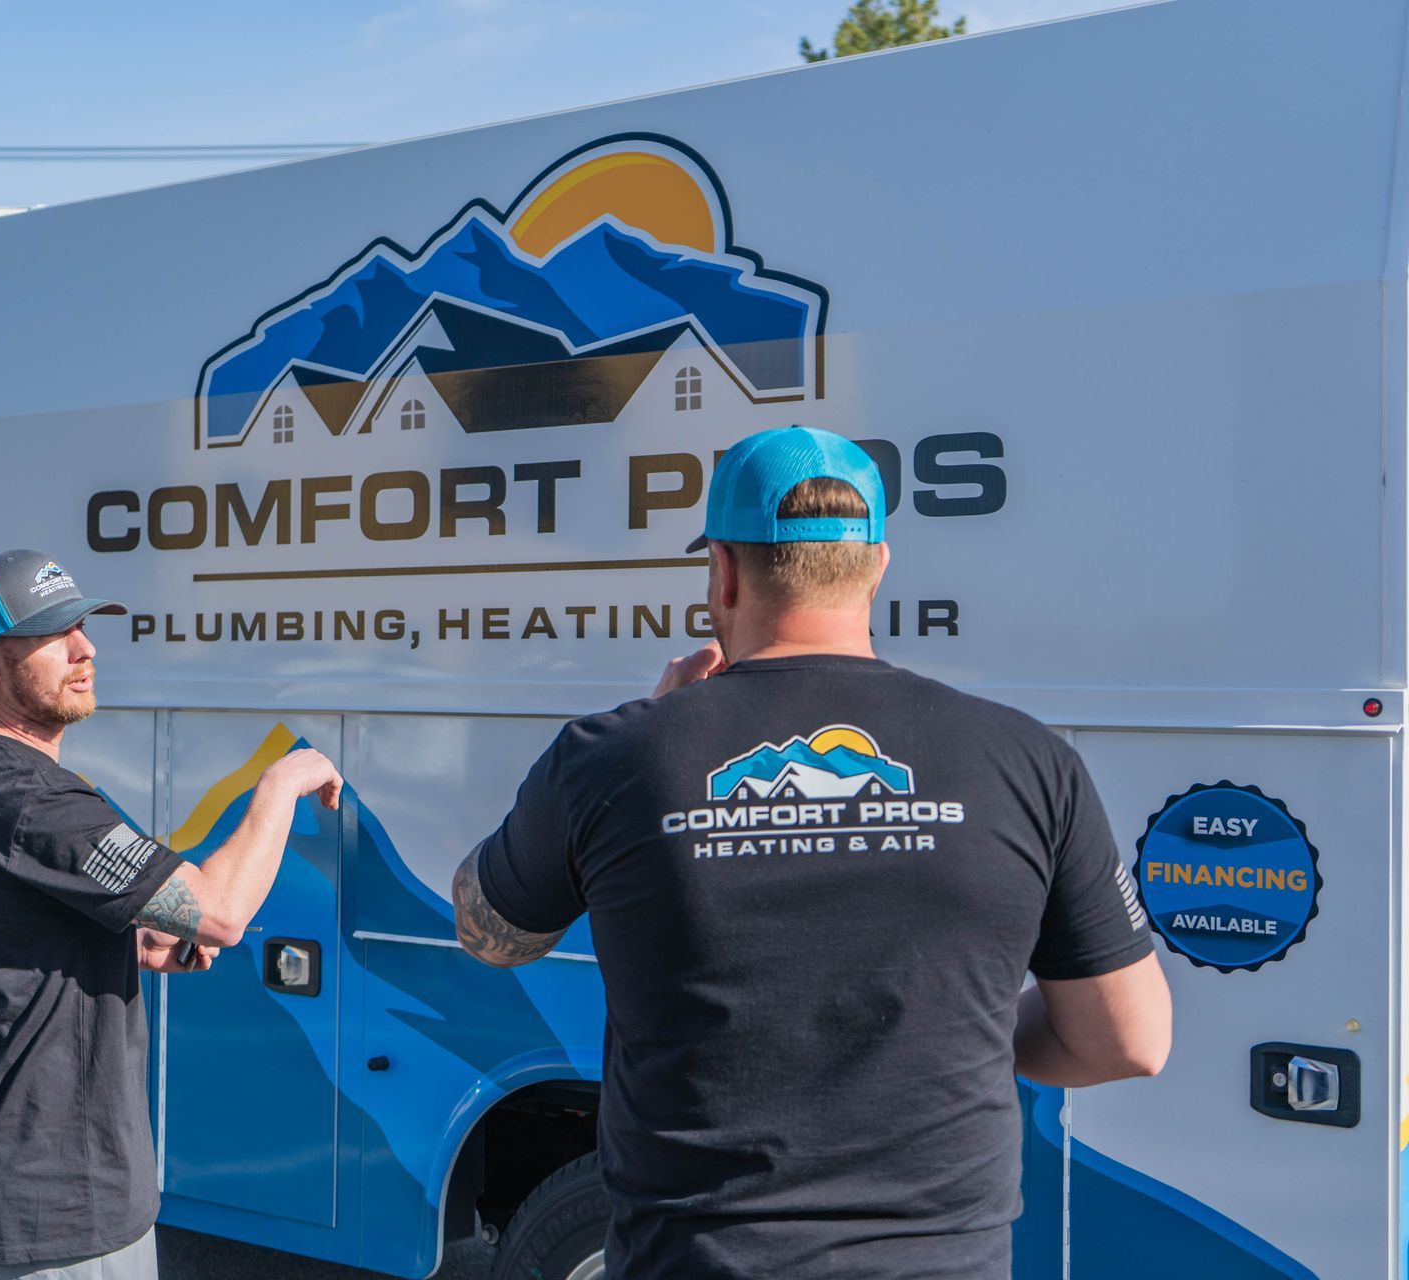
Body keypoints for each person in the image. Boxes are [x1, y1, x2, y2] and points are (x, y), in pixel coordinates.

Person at [453, 427, 1172, 1279]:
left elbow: (492, 934)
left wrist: (655, 733)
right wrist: (958, 1032)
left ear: (723, 570)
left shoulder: (613, 758)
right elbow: (1128, 1040)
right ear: (877, 569)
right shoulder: (1026, 758)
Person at [0, 549, 342, 1280]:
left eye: (82, 627)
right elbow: (220, 913)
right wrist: (284, 781)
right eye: (54, 637)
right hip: (54, 1194)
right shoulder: (31, 798)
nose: (85, 650)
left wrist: (142, 940)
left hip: (42, 1176)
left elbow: (17, 931)